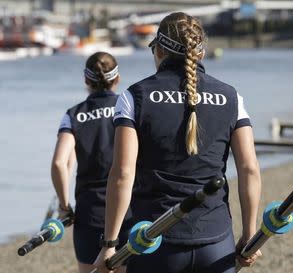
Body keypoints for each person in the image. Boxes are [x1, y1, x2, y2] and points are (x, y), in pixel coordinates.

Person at [94, 12, 262, 273]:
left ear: (159, 50)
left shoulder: (134, 97)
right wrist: (250, 234)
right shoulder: (232, 97)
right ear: (201, 53)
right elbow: (249, 168)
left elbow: (122, 174)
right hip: (216, 240)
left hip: (154, 241)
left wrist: (110, 243)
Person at [51, 52, 132, 273]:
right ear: (117, 79)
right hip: (127, 210)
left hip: (89, 213)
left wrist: (64, 205)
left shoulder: (73, 114)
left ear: (86, 80)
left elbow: (60, 162)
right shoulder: (129, 108)